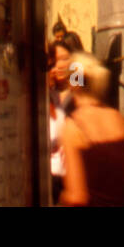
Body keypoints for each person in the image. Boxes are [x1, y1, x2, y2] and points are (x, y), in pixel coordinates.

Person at [60, 51, 124, 207]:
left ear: (73, 85)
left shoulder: (73, 126)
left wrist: (62, 197)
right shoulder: (119, 120)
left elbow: (77, 197)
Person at [47, 41, 67, 203]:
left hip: (67, 170)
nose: (58, 65)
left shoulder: (75, 90)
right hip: (52, 173)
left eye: (64, 58)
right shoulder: (49, 93)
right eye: (55, 61)